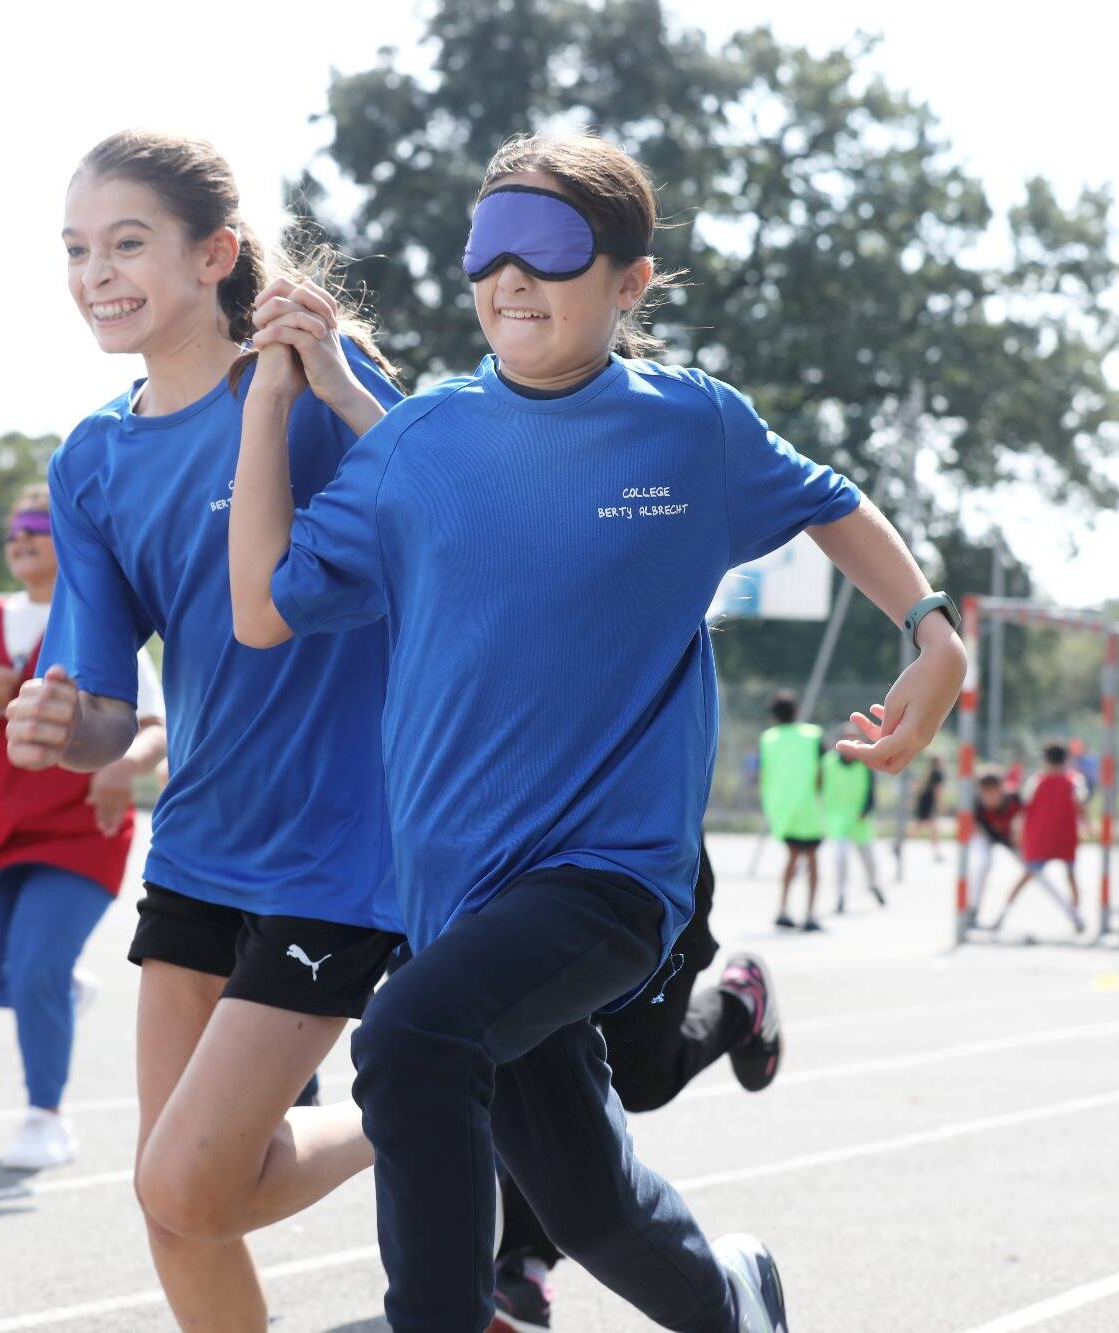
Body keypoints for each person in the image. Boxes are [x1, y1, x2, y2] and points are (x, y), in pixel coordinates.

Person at [229, 130, 967, 1333]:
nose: (508, 277)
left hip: (609, 881)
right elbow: (262, 607)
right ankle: (736, 1298)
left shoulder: (692, 431)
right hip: (455, 897)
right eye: (485, 252)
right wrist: (272, 397)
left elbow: (832, 502)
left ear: (628, 281)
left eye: (549, 251)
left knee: (408, 1031)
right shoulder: (417, 443)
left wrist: (932, 632)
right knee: (583, 1201)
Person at [2, 130, 404, 1330]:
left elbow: (458, 512)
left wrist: (328, 378)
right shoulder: (92, 458)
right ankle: (429, 1104)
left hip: (344, 848)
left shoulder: (313, 385)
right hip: (197, 842)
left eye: (126, 243)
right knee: (174, 1207)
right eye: (75, 249)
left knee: (188, 1177)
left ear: (213, 254)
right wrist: (63, 726)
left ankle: (432, 1098)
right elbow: (107, 706)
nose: (94, 274)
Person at [0, 485, 168, 1170]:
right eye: (13, 528)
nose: (21, 535)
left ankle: (46, 1117)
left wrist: (124, 766)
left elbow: (152, 727)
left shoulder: (99, 617)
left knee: (35, 964)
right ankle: (58, 994)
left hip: (76, 832)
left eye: (38, 524)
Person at [491, 842, 781, 1331]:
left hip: (647, 873)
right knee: (524, 1064)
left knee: (640, 1079)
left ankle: (737, 1007)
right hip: (513, 873)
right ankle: (522, 1260)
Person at [987, 743, 1088, 933]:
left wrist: (1018, 832)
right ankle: (1076, 917)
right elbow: (1080, 805)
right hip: (1065, 835)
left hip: (1040, 836)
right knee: (1071, 877)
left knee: (1026, 877)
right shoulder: (1075, 780)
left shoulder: (1037, 780)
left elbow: (1024, 808)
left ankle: (1001, 915)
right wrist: (1087, 827)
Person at [760, 691, 825, 931]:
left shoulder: (768, 738)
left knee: (791, 858)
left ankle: (783, 909)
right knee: (813, 860)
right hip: (810, 808)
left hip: (783, 809)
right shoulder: (812, 735)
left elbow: (765, 774)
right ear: (796, 711)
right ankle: (810, 914)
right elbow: (822, 771)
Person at [822, 729, 885, 913]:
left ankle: (873, 884)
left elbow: (872, 791)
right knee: (840, 857)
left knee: (868, 859)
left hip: (860, 818)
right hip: (838, 817)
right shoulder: (828, 763)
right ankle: (841, 894)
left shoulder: (865, 763)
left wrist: (866, 810)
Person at [967, 770, 1024, 922]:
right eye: (986, 793)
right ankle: (973, 910)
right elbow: (980, 830)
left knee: (1034, 867)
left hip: (1010, 837)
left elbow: (1026, 817)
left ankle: (1072, 914)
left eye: (993, 792)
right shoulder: (977, 805)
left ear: (1001, 789)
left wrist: (1018, 833)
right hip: (987, 837)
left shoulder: (1014, 798)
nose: (989, 798)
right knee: (982, 863)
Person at [913, 756, 946, 861]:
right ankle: (936, 853)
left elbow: (918, 786)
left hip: (924, 801)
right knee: (932, 828)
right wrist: (939, 803)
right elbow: (937, 790)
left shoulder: (928, 772)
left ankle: (898, 845)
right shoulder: (937, 773)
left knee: (923, 826)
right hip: (929, 802)